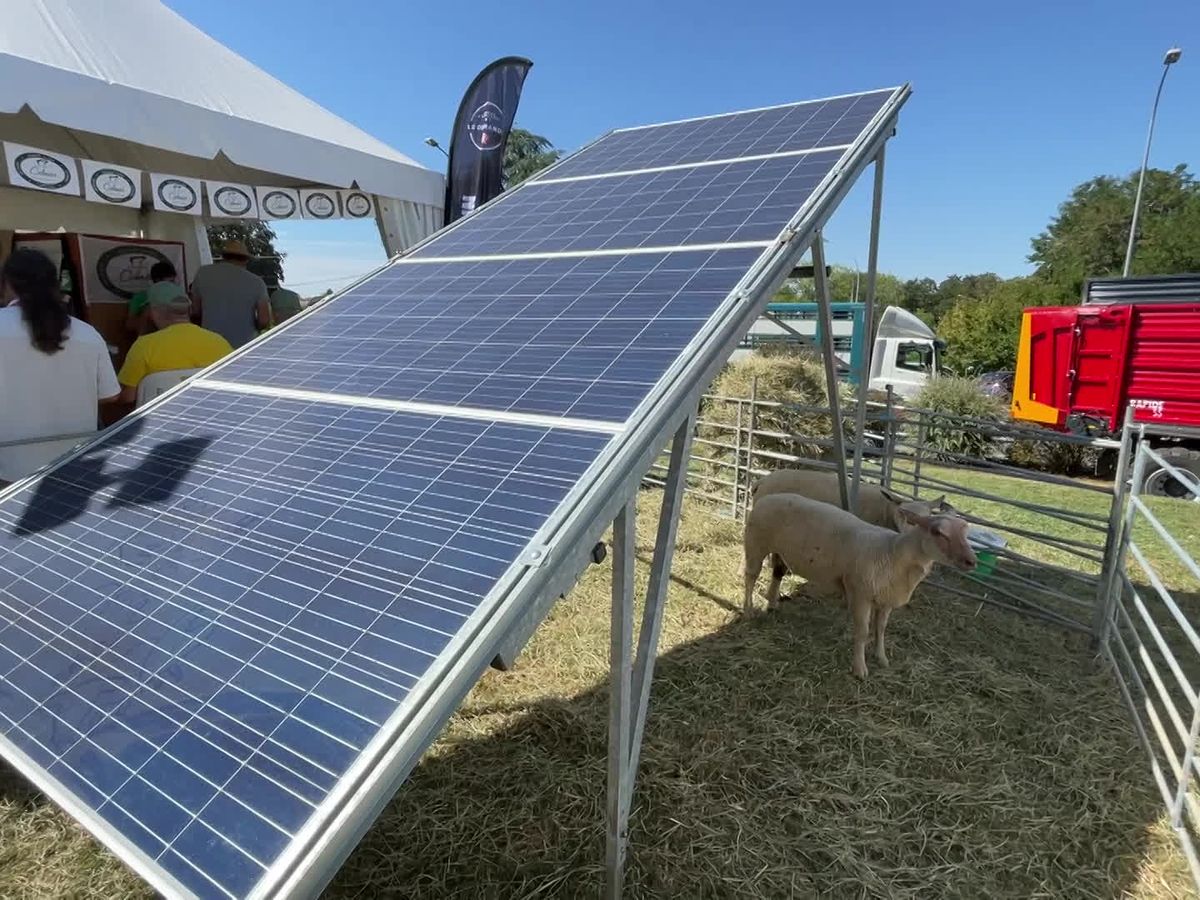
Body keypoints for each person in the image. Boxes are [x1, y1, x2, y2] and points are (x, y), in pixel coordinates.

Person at [0, 248, 120, 485]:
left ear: (8, 284)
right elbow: (110, 395)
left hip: (9, 467)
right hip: (75, 465)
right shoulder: (87, 333)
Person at [116, 281, 232, 402]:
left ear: (153, 312)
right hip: (208, 414)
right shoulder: (219, 342)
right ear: (188, 310)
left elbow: (128, 397)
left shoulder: (144, 345)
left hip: (160, 418)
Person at [189, 239, 270, 348]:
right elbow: (264, 320)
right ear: (246, 260)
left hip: (209, 344)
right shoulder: (257, 282)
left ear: (224, 256)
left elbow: (195, 312)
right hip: (243, 345)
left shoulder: (203, 273)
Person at [125, 260, 178, 337]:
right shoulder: (141, 297)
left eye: (173, 282)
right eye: (169, 282)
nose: (172, 285)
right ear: (158, 281)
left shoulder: (177, 296)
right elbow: (129, 325)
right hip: (149, 339)